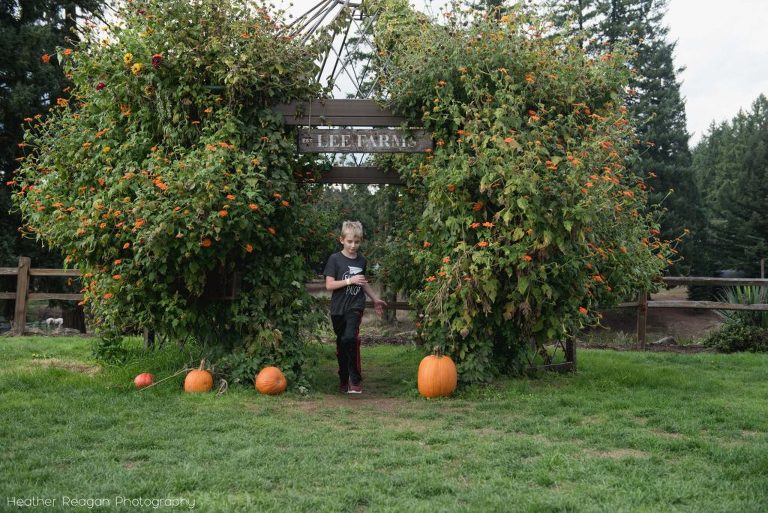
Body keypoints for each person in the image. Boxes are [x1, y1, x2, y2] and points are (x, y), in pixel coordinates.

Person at [324, 221, 386, 394]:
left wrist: (375, 299)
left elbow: (363, 283)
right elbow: (329, 285)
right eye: (350, 241)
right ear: (342, 240)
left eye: (357, 242)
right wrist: (349, 280)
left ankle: (355, 379)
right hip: (338, 309)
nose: (353, 246)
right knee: (341, 343)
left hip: (355, 305)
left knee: (350, 338)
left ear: (360, 241)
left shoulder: (362, 260)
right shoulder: (334, 259)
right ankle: (343, 377)